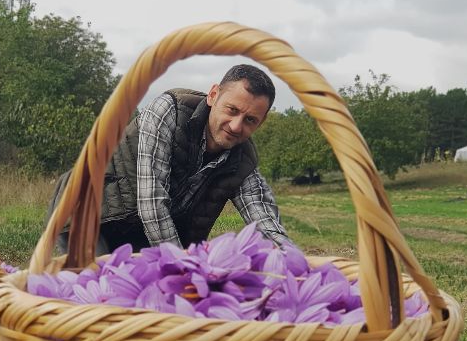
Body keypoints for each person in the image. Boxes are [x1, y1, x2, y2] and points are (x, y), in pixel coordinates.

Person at [50, 64, 294, 253]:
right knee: (96, 294)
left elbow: (265, 221)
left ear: (261, 122)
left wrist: (300, 267)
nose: (236, 126)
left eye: (250, 120)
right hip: (88, 213)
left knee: (148, 305)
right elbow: (152, 202)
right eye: (232, 110)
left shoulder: (243, 159)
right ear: (213, 95)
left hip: (140, 234)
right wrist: (183, 267)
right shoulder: (169, 110)